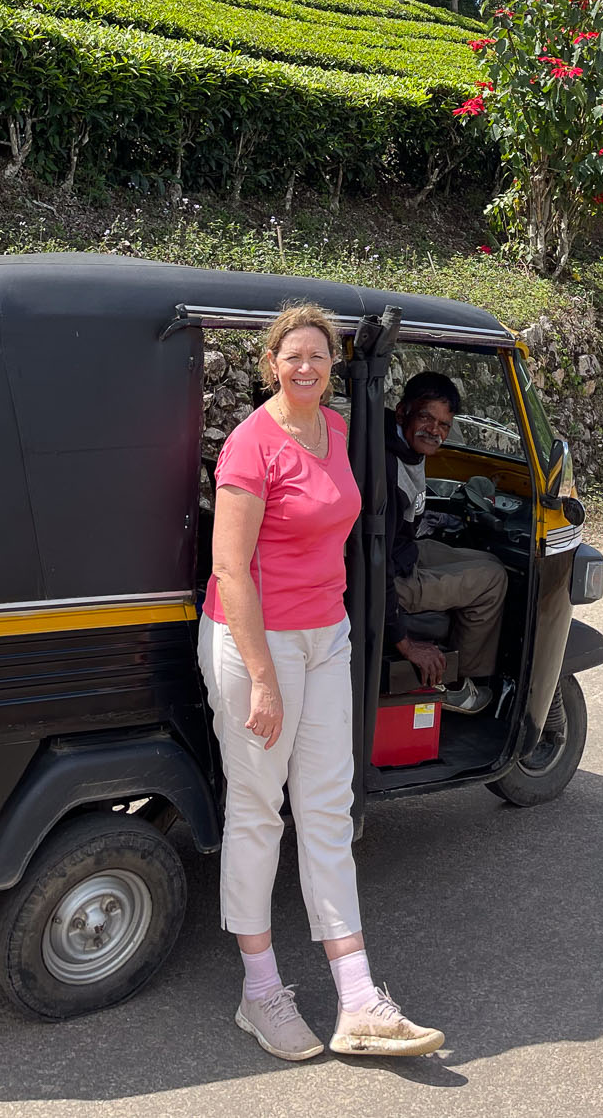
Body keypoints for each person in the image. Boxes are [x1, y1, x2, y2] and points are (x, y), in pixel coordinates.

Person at [200, 303, 444, 1064]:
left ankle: (359, 999)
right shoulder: (250, 445)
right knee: (257, 813)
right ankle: (260, 992)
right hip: (255, 645)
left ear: (333, 364)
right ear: (270, 362)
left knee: (328, 809)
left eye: (319, 357)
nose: (305, 368)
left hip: (324, 637)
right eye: (292, 356)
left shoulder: (338, 432)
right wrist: (264, 681)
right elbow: (229, 569)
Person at [385, 370, 510, 716]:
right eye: (426, 417)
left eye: (443, 424)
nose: (434, 431)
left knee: (490, 564)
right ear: (402, 412)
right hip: (390, 577)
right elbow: (375, 568)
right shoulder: (388, 472)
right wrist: (406, 644)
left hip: (403, 552)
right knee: (492, 582)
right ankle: (455, 684)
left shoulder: (399, 443)